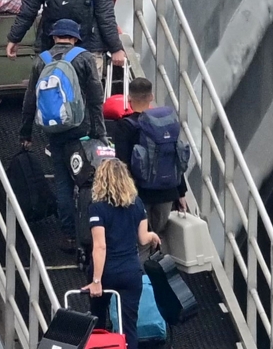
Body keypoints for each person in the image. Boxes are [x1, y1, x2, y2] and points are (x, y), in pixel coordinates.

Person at [21, 18, 106, 253]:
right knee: (88, 181)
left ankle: (69, 236)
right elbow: (96, 98)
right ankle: (91, 233)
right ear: (76, 38)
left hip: (55, 130)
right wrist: (100, 131)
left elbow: (30, 100)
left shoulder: (42, 60)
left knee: (63, 184)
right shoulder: (84, 58)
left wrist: (25, 133)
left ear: (53, 37)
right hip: (82, 131)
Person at [84, 158, 162, 349]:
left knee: (98, 323)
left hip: (107, 272)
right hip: (130, 272)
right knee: (129, 328)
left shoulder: (97, 208)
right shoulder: (137, 204)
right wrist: (153, 235)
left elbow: (100, 246)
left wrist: (96, 281)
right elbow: (143, 238)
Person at [110, 77, 188, 261]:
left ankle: (141, 282)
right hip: (167, 192)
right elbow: (175, 157)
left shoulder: (124, 126)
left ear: (129, 99)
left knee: (140, 241)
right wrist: (181, 192)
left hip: (139, 193)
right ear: (151, 97)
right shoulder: (167, 124)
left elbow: (122, 164)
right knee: (157, 235)